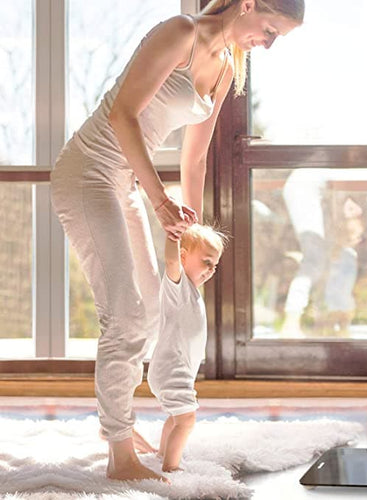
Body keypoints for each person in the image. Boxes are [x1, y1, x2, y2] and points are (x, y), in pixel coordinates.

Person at [50, 0, 304, 482]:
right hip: (87, 174)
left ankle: (113, 430)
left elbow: (195, 161)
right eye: (269, 29)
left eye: (277, 39)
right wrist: (158, 200)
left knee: (148, 310)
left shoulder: (228, 65)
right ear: (248, 4)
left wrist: (195, 239)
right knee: (124, 316)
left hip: (123, 181)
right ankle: (120, 457)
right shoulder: (179, 32)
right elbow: (124, 115)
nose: (268, 44)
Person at [147, 224, 226, 472]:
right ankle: (171, 466)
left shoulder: (191, 291)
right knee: (186, 419)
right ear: (183, 256)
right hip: (172, 369)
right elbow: (170, 260)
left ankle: (162, 453)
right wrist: (173, 233)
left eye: (215, 265)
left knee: (176, 416)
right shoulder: (177, 286)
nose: (211, 270)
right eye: (206, 262)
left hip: (177, 369)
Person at [281, 169, 363, 337]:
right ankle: (292, 321)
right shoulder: (306, 179)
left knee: (337, 258)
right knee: (315, 261)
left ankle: (329, 321)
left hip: (320, 187)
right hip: (307, 186)